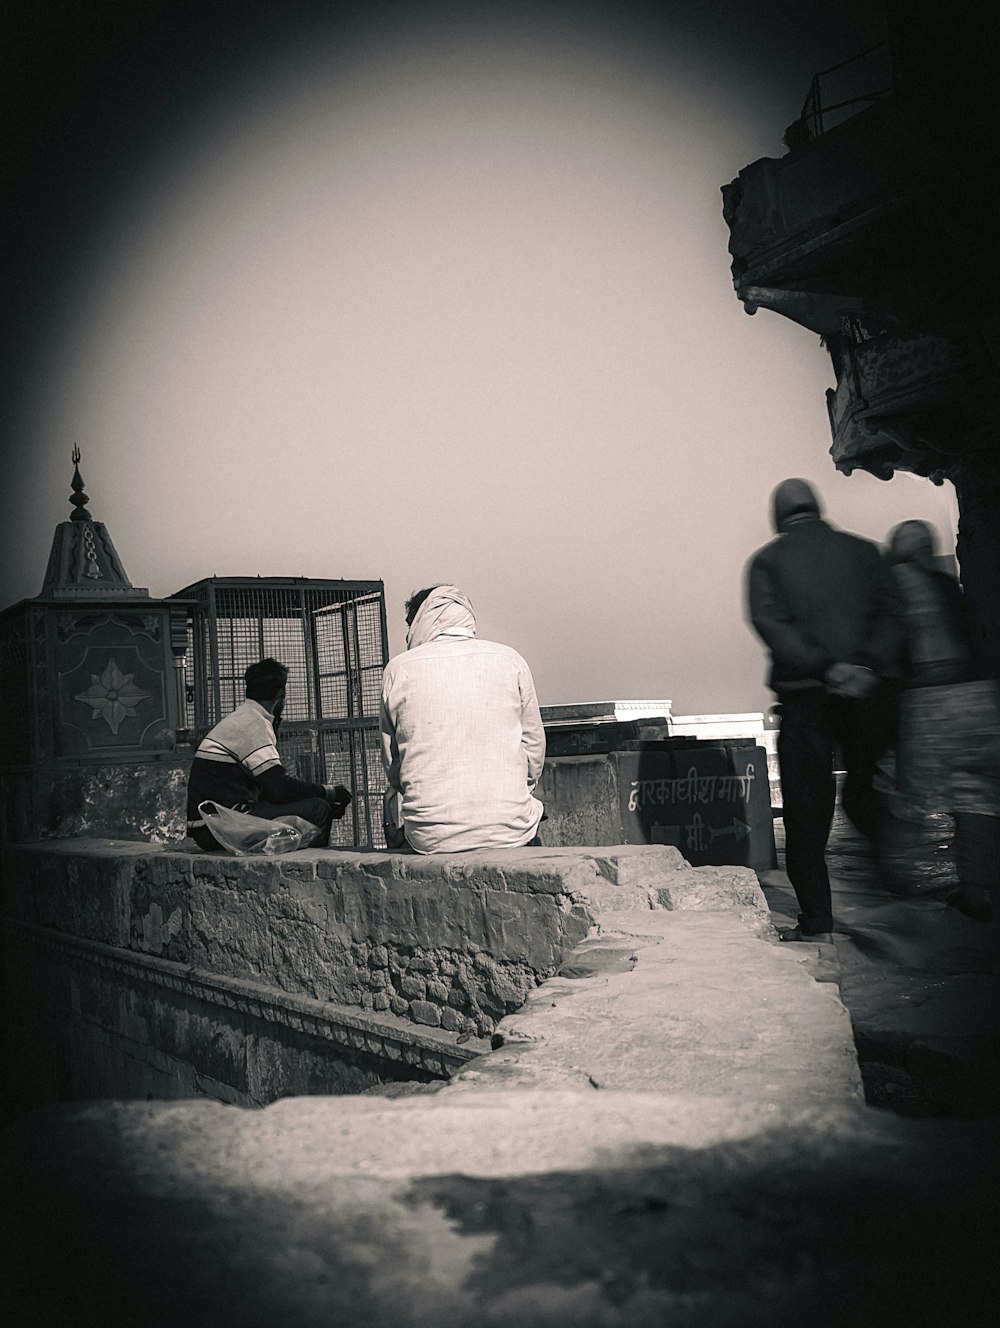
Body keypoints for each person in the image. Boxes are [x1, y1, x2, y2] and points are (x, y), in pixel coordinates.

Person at [745, 479, 898, 941]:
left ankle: (816, 921)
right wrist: (865, 665)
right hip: (867, 695)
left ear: (778, 514)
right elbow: (892, 614)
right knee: (865, 791)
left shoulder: (767, 562)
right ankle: (893, 879)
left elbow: (773, 624)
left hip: (807, 699)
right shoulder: (865, 553)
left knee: (806, 818)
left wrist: (827, 667)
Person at [885, 520, 1000, 922]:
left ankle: (894, 887)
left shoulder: (897, 581)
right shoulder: (949, 585)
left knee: (910, 798)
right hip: (977, 696)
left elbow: (890, 641)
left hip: (929, 696)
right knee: (977, 798)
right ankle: (977, 889)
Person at [380, 584, 545, 853]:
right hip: (511, 830)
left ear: (420, 621)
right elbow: (534, 751)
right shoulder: (511, 660)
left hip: (430, 837)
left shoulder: (398, 670)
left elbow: (393, 765)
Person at [185, 657, 351, 851]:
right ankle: (306, 869)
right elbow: (278, 788)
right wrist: (330, 792)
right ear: (281, 693)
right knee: (318, 809)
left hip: (210, 824)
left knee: (315, 804)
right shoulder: (254, 724)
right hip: (218, 826)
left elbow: (270, 788)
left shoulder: (242, 717)